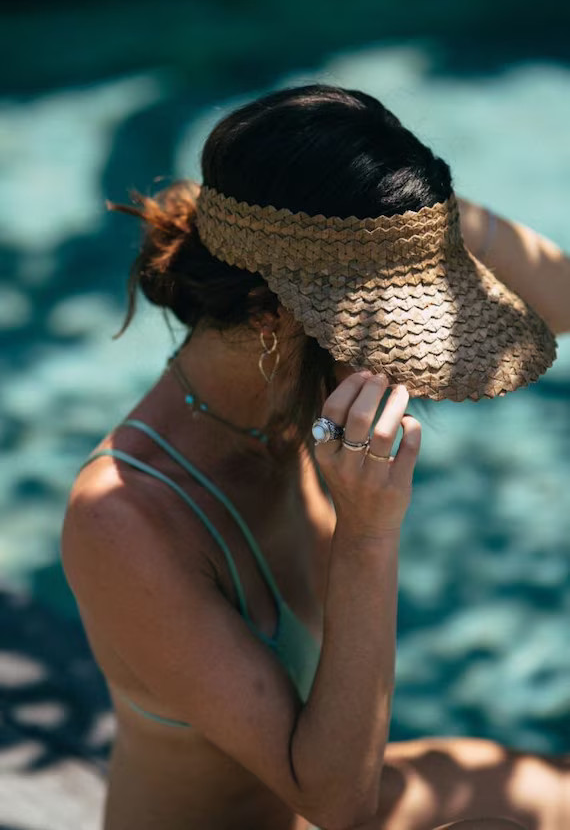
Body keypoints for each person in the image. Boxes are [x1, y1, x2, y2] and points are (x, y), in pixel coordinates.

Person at [61, 85, 569, 830]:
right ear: (274, 315)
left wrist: (417, 220)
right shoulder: (126, 518)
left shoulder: (292, 387)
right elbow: (337, 802)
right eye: (388, 324)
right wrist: (368, 534)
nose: (407, 359)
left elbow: (560, 301)